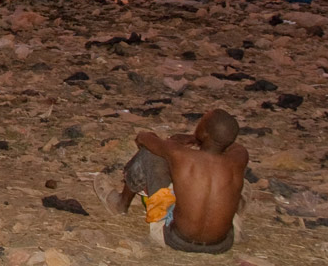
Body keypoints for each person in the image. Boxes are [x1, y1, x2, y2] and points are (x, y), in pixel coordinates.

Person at [106, 109, 248, 254]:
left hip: (175, 239)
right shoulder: (239, 157)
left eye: (201, 123)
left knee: (149, 153)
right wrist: (198, 138)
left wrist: (176, 142)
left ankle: (120, 204)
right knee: (231, 180)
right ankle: (234, 209)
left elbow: (143, 137)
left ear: (205, 132)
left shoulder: (181, 155)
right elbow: (228, 143)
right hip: (222, 244)